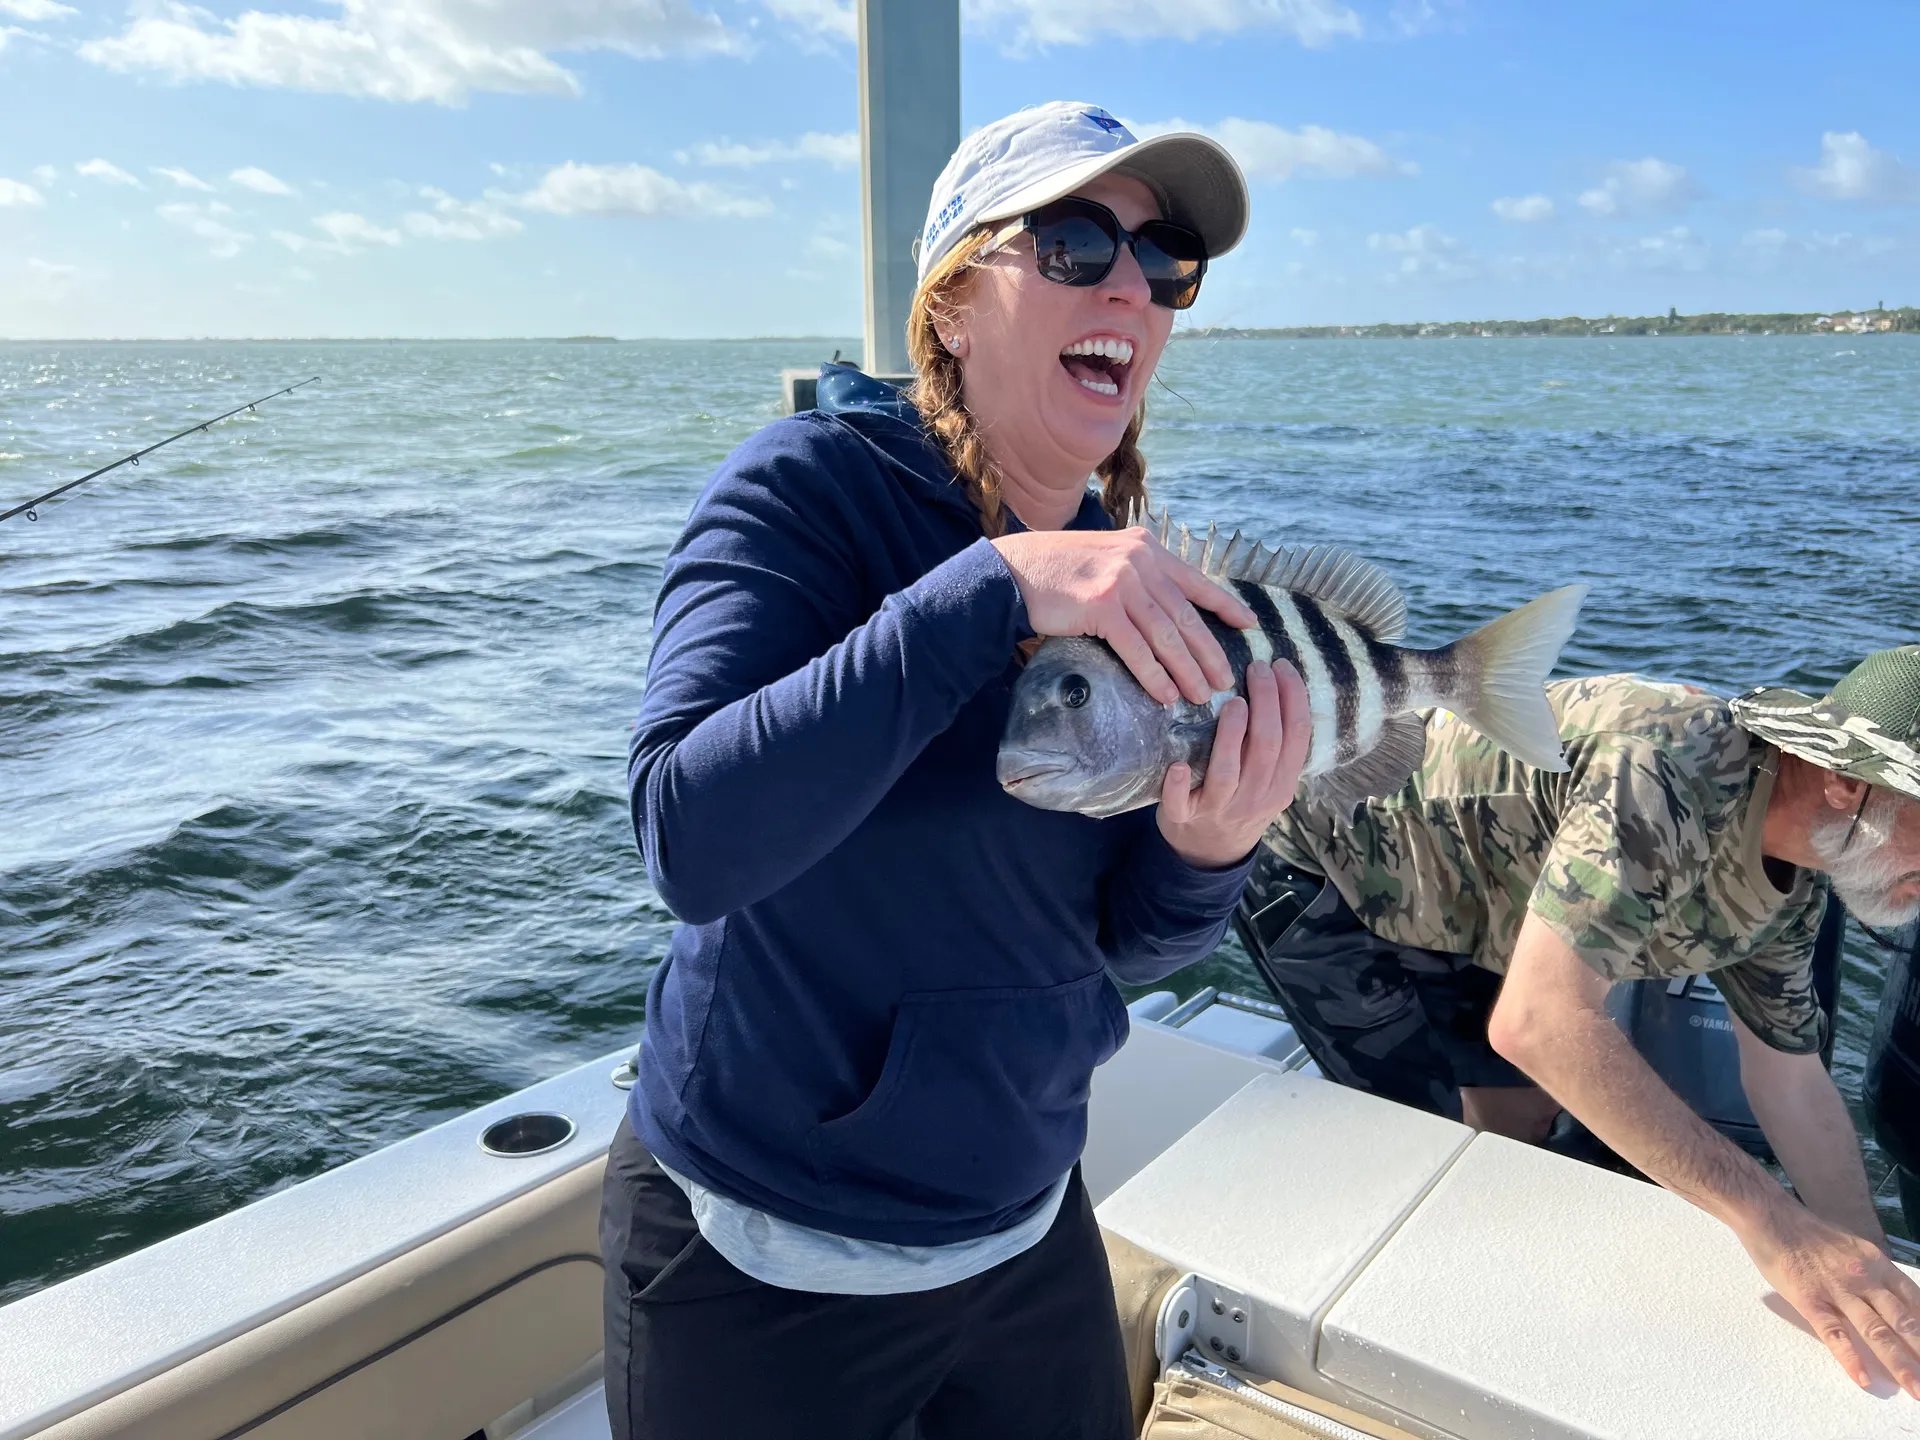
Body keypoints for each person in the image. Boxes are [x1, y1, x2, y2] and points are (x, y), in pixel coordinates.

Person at [603, 101, 1312, 1440]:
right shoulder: (807, 491)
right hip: (758, 1255)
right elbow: (685, 840)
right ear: (954, 303)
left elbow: (1112, 941)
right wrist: (992, 587)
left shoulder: (1137, 578)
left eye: (1166, 265)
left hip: (1023, 1225)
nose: (1130, 286)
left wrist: (1207, 853)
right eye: (1075, 240)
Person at [1253, 655, 1920, 1396]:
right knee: (1418, 1143)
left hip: (1478, 903)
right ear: (1848, 781)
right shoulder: (1668, 769)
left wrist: (1874, 1272)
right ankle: (1380, 1361)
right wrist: (1776, 1225)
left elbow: (1788, 1079)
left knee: (1521, 1119)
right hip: (1328, 860)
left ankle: (1481, 1311)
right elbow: (1540, 1023)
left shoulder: (1794, 895)